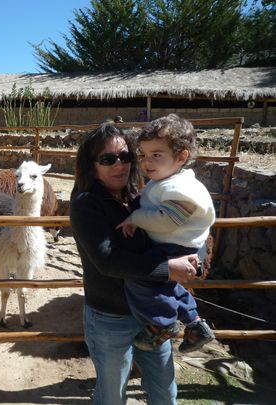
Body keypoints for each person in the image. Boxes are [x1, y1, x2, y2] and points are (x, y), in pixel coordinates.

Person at [70, 123, 199, 405]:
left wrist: (190, 250)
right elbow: (108, 261)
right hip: (110, 316)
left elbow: (170, 232)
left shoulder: (139, 196)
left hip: (153, 313)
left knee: (165, 391)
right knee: (112, 396)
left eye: (126, 157)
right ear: (91, 165)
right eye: (107, 159)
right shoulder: (86, 203)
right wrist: (169, 269)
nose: (120, 165)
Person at [116, 114, 215, 353]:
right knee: (170, 286)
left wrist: (135, 218)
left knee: (141, 279)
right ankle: (194, 323)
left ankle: (161, 324)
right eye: (143, 155)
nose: (147, 162)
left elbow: (168, 220)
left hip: (174, 245)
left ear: (181, 157)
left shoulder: (181, 188)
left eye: (156, 155)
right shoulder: (165, 180)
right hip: (176, 244)